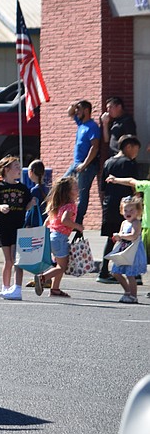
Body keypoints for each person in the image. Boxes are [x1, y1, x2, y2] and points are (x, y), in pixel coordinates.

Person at [0, 156, 35, 301]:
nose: (19, 169)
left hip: (19, 227)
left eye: (19, 166)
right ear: (6, 170)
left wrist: (31, 204)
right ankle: (5, 287)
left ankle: (17, 288)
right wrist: (0, 207)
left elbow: (25, 207)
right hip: (3, 227)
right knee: (8, 260)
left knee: (17, 259)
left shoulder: (22, 188)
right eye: (16, 167)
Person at [99, 135, 141, 283]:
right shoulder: (129, 163)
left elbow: (102, 188)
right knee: (131, 238)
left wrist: (103, 204)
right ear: (129, 147)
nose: (136, 153)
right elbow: (134, 185)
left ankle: (103, 271)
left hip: (110, 205)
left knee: (111, 239)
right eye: (136, 149)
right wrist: (138, 206)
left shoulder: (108, 162)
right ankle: (134, 273)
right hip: (128, 208)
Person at [37, 175, 82, 298]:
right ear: (68, 192)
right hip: (60, 238)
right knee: (62, 267)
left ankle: (55, 289)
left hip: (53, 237)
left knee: (59, 265)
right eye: (75, 187)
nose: (78, 189)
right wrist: (77, 226)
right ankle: (43, 278)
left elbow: (47, 222)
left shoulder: (58, 205)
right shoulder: (70, 205)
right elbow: (64, 220)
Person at [67, 100, 102, 228]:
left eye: (79, 110)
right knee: (62, 184)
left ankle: (78, 222)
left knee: (82, 193)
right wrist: (75, 105)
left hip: (87, 166)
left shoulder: (92, 126)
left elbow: (95, 147)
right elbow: (69, 113)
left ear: (86, 111)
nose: (77, 112)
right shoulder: (81, 123)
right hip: (75, 164)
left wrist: (85, 164)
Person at [109, 195, 147, 304]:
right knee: (116, 272)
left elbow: (133, 235)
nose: (128, 212)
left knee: (130, 274)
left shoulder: (136, 223)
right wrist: (117, 238)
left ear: (138, 211)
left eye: (131, 210)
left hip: (133, 251)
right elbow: (121, 235)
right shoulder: (124, 223)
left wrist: (120, 236)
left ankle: (133, 296)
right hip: (124, 250)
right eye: (125, 210)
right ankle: (127, 291)